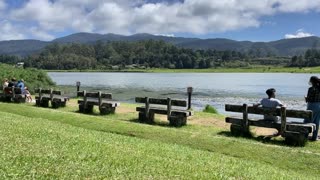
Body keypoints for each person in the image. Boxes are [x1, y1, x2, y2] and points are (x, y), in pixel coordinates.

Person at [305, 76, 320, 141]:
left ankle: (305, 135)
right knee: (316, 121)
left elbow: (309, 99)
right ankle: (314, 137)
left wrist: (306, 98)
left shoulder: (311, 89)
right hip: (319, 105)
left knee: (307, 120)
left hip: (312, 105)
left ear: (312, 81)